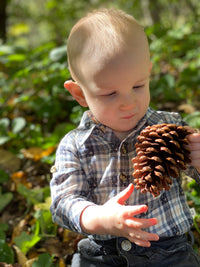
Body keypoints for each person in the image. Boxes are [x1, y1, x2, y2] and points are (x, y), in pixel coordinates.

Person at [50, 8, 200, 267]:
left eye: (138, 86)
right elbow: (63, 203)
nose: (128, 103)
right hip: (101, 254)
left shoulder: (170, 128)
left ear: (149, 73)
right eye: (110, 94)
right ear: (80, 94)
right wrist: (97, 217)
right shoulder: (74, 146)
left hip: (169, 252)